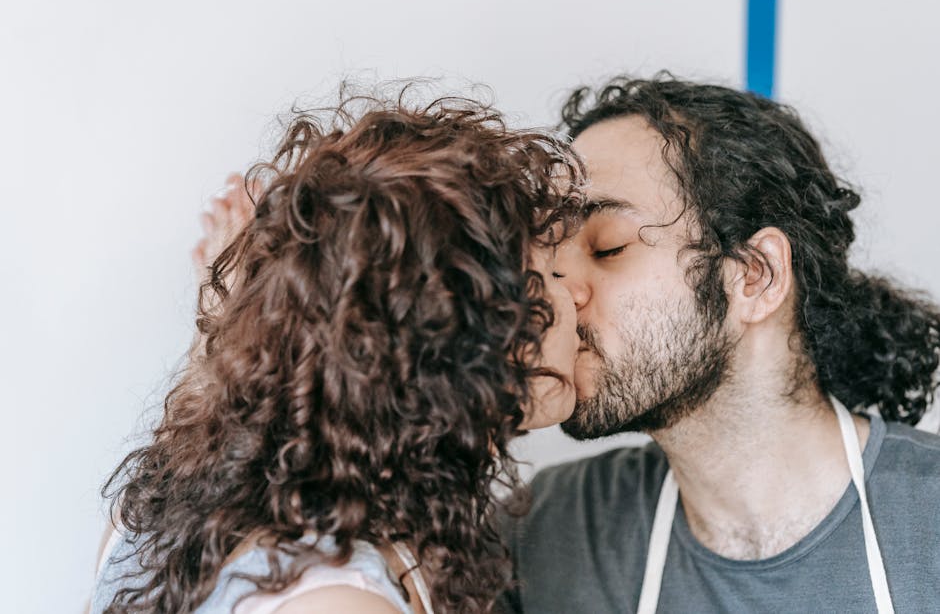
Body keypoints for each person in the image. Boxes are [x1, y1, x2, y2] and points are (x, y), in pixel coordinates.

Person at [90, 91, 584, 613]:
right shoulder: (336, 602)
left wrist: (227, 329)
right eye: (550, 273)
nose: (575, 294)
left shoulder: (165, 501)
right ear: (459, 336)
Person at [501, 74, 940, 613]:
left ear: (755, 276)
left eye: (607, 247)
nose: (559, 299)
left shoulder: (929, 522)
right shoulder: (547, 528)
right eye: (552, 262)